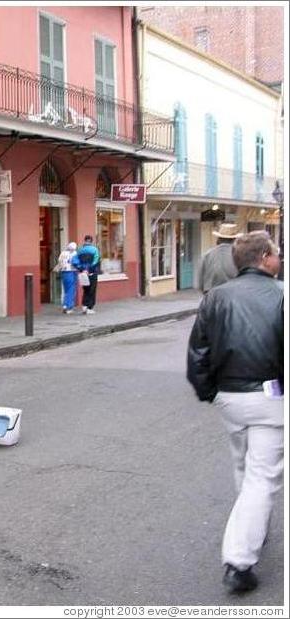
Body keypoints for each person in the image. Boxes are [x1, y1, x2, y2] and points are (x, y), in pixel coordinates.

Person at [186, 231, 284, 594]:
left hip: (230, 398)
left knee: (243, 464)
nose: (279, 258)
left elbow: (198, 353)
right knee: (262, 478)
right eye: (275, 252)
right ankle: (239, 562)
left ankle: (252, 525)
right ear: (263, 258)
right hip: (270, 398)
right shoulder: (282, 294)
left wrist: (210, 392)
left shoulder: (215, 298)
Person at [198, 222, 240, 293]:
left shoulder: (207, 254)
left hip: (211, 294)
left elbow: (200, 282)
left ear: (218, 239)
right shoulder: (239, 254)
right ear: (234, 240)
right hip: (232, 294)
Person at [72, 235, 101, 314]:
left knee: (86, 289)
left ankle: (84, 306)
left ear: (84, 241)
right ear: (91, 241)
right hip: (92, 273)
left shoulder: (80, 250)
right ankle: (89, 308)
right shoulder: (95, 250)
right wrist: (89, 270)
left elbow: (74, 261)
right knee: (92, 290)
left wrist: (81, 269)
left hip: (83, 273)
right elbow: (96, 261)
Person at [54, 242, 79, 314]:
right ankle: (69, 307)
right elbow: (76, 263)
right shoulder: (74, 253)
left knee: (66, 290)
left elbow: (59, 262)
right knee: (71, 290)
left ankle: (65, 305)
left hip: (63, 272)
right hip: (72, 272)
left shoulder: (63, 253)